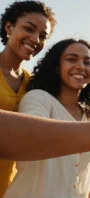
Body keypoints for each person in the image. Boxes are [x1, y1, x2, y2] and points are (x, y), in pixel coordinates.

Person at [4, 38, 90, 197]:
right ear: (57, 67)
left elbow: (86, 177)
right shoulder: (38, 98)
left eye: (87, 62)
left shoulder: (88, 117)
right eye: (71, 59)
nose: (81, 66)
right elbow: (31, 140)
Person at [0, 1, 56, 196]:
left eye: (42, 36)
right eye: (29, 29)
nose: (35, 39)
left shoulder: (34, 85)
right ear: (9, 27)